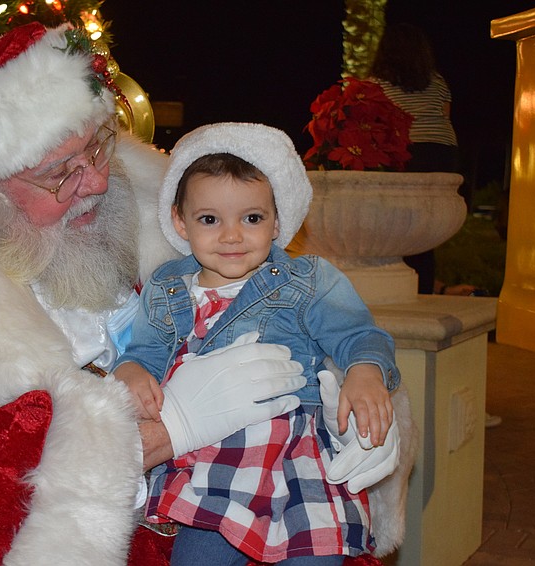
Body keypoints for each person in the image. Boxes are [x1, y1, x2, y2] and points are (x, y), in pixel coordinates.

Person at [0, 23, 313, 566]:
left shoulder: (169, 211)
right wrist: (165, 432)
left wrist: (336, 404)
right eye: (58, 175)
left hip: (226, 499)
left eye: (97, 149)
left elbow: (283, 305)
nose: (96, 183)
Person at [113, 123, 402, 565]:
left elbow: (360, 335)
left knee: (314, 555)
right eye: (210, 219)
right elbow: (145, 353)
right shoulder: (166, 286)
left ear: (277, 221)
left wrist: (364, 372)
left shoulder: (307, 280)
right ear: (179, 221)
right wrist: (132, 370)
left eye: (251, 218)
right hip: (210, 466)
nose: (231, 236)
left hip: (296, 459)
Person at [369, 22, 458, 295]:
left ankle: (405, 288)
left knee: (402, 227)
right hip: (442, 152)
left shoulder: (377, 85)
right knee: (424, 229)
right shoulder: (438, 81)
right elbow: (445, 116)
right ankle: (425, 288)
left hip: (407, 151)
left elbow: (375, 126)